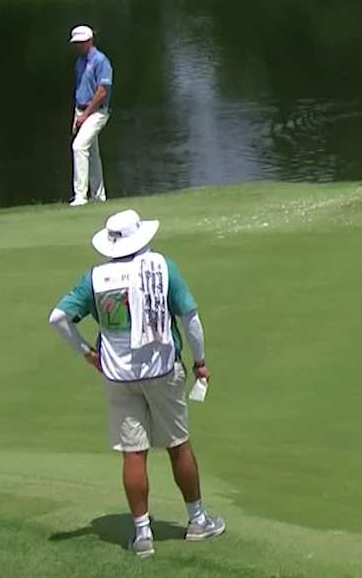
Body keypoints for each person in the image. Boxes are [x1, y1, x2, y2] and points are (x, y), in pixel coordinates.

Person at [47, 209, 226, 557]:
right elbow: (191, 320)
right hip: (161, 369)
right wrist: (200, 362)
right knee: (178, 445)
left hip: (118, 375)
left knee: (133, 453)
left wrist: (87, 352)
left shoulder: (95, 278)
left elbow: (57, 318)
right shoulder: (162, 267)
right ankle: (198, 520)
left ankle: (142, 535)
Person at [70, 25, 113, 207]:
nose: (78, 46)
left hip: (97, 111)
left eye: (81, 42)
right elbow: (80, 90)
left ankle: (80, 195)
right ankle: (98, 195)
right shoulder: (80, 62)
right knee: (92, 154)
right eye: (76, 43)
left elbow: (102, 91)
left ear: (89, 40)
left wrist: (86, 114)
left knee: (79, 147)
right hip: (82, 110)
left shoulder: (100, 61)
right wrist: (77, 114)